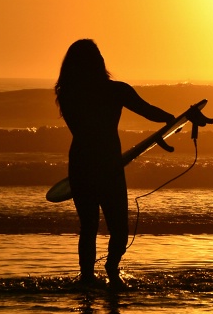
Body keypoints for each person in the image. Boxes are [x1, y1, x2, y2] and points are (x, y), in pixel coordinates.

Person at [55, 39, 175, 287]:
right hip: (105, 164)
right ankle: (102, 272)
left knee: (97, 227)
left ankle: (98, 273)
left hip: (84, 162)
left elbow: (146, 110)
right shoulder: (110, 90)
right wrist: (171, 119)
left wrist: (171, 120)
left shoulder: (70, 93)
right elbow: (147, 110)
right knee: (109, 227)